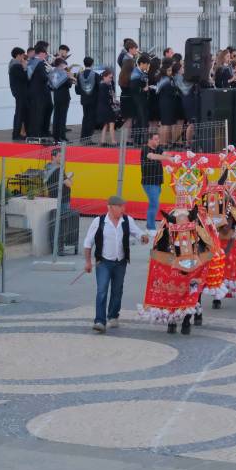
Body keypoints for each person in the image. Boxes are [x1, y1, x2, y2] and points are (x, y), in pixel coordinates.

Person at [83, 195, 150, 333]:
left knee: (117, 290)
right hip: (103, 262)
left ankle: (113, 316)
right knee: (102, 290)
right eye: (120, 206)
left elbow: (137, 233)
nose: (123, 209)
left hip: (120, 262)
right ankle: (100, 321)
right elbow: (88, 243)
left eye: (123, 206)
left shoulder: (127, 220)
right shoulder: (99, 221)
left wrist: (143, 237)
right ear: (110, 207)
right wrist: (88, 262)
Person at [140, 132, 166, 232]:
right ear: (149, 140)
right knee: (154, 204)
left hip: (157, 182)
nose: (158, 141)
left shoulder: (158, 148)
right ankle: (150, 228)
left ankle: (149, 226)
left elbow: (164, 153)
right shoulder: (145, 149)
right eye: (155, 139)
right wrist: (168, 158)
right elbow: (153, 156)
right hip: (149, 182)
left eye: (158, 139)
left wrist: (173, 156)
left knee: (154, 204)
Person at [48, 58, 73, 142]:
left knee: (56, 117)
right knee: (62, 117)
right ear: (61, 64)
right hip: (64, 97)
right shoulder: (64, 73)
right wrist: (69, 77)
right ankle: (62, 136)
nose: (65, 66)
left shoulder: (52, 72)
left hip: (56, 96)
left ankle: (56, 136)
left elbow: (51, 85)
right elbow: (69, 84)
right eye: (64, 65)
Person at [74, 57, 99, 141]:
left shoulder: (79, 75)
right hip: (93, 100)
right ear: (92, 64)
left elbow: (77, 90)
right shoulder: (95, 75)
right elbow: (99, 88)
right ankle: (88, 139)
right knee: (91, 119)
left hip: (84, 100)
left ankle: (83, 137)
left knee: (85, 118)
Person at [9, 47, 29, 140]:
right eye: (22, 55)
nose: (23, 58)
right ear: (18, 55)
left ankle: (19, 133)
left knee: (22, 113)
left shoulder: (14, 64)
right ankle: (16, 134)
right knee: (19, 113)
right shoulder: (16, 65)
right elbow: (24, 78)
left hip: (20, 92)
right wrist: (25, 68)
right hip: (20, 92)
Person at [95, 68, 118, 146]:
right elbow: (106, 97)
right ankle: (113, 141)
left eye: (112, 77)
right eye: (110, 77)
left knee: (106, 124)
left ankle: (103, 141)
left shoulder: (106, 85)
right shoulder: (104, 86)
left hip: (104, 107)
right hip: (106, 107)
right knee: (111, 124)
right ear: (104, 77)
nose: (111, 79)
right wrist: (112, 100)